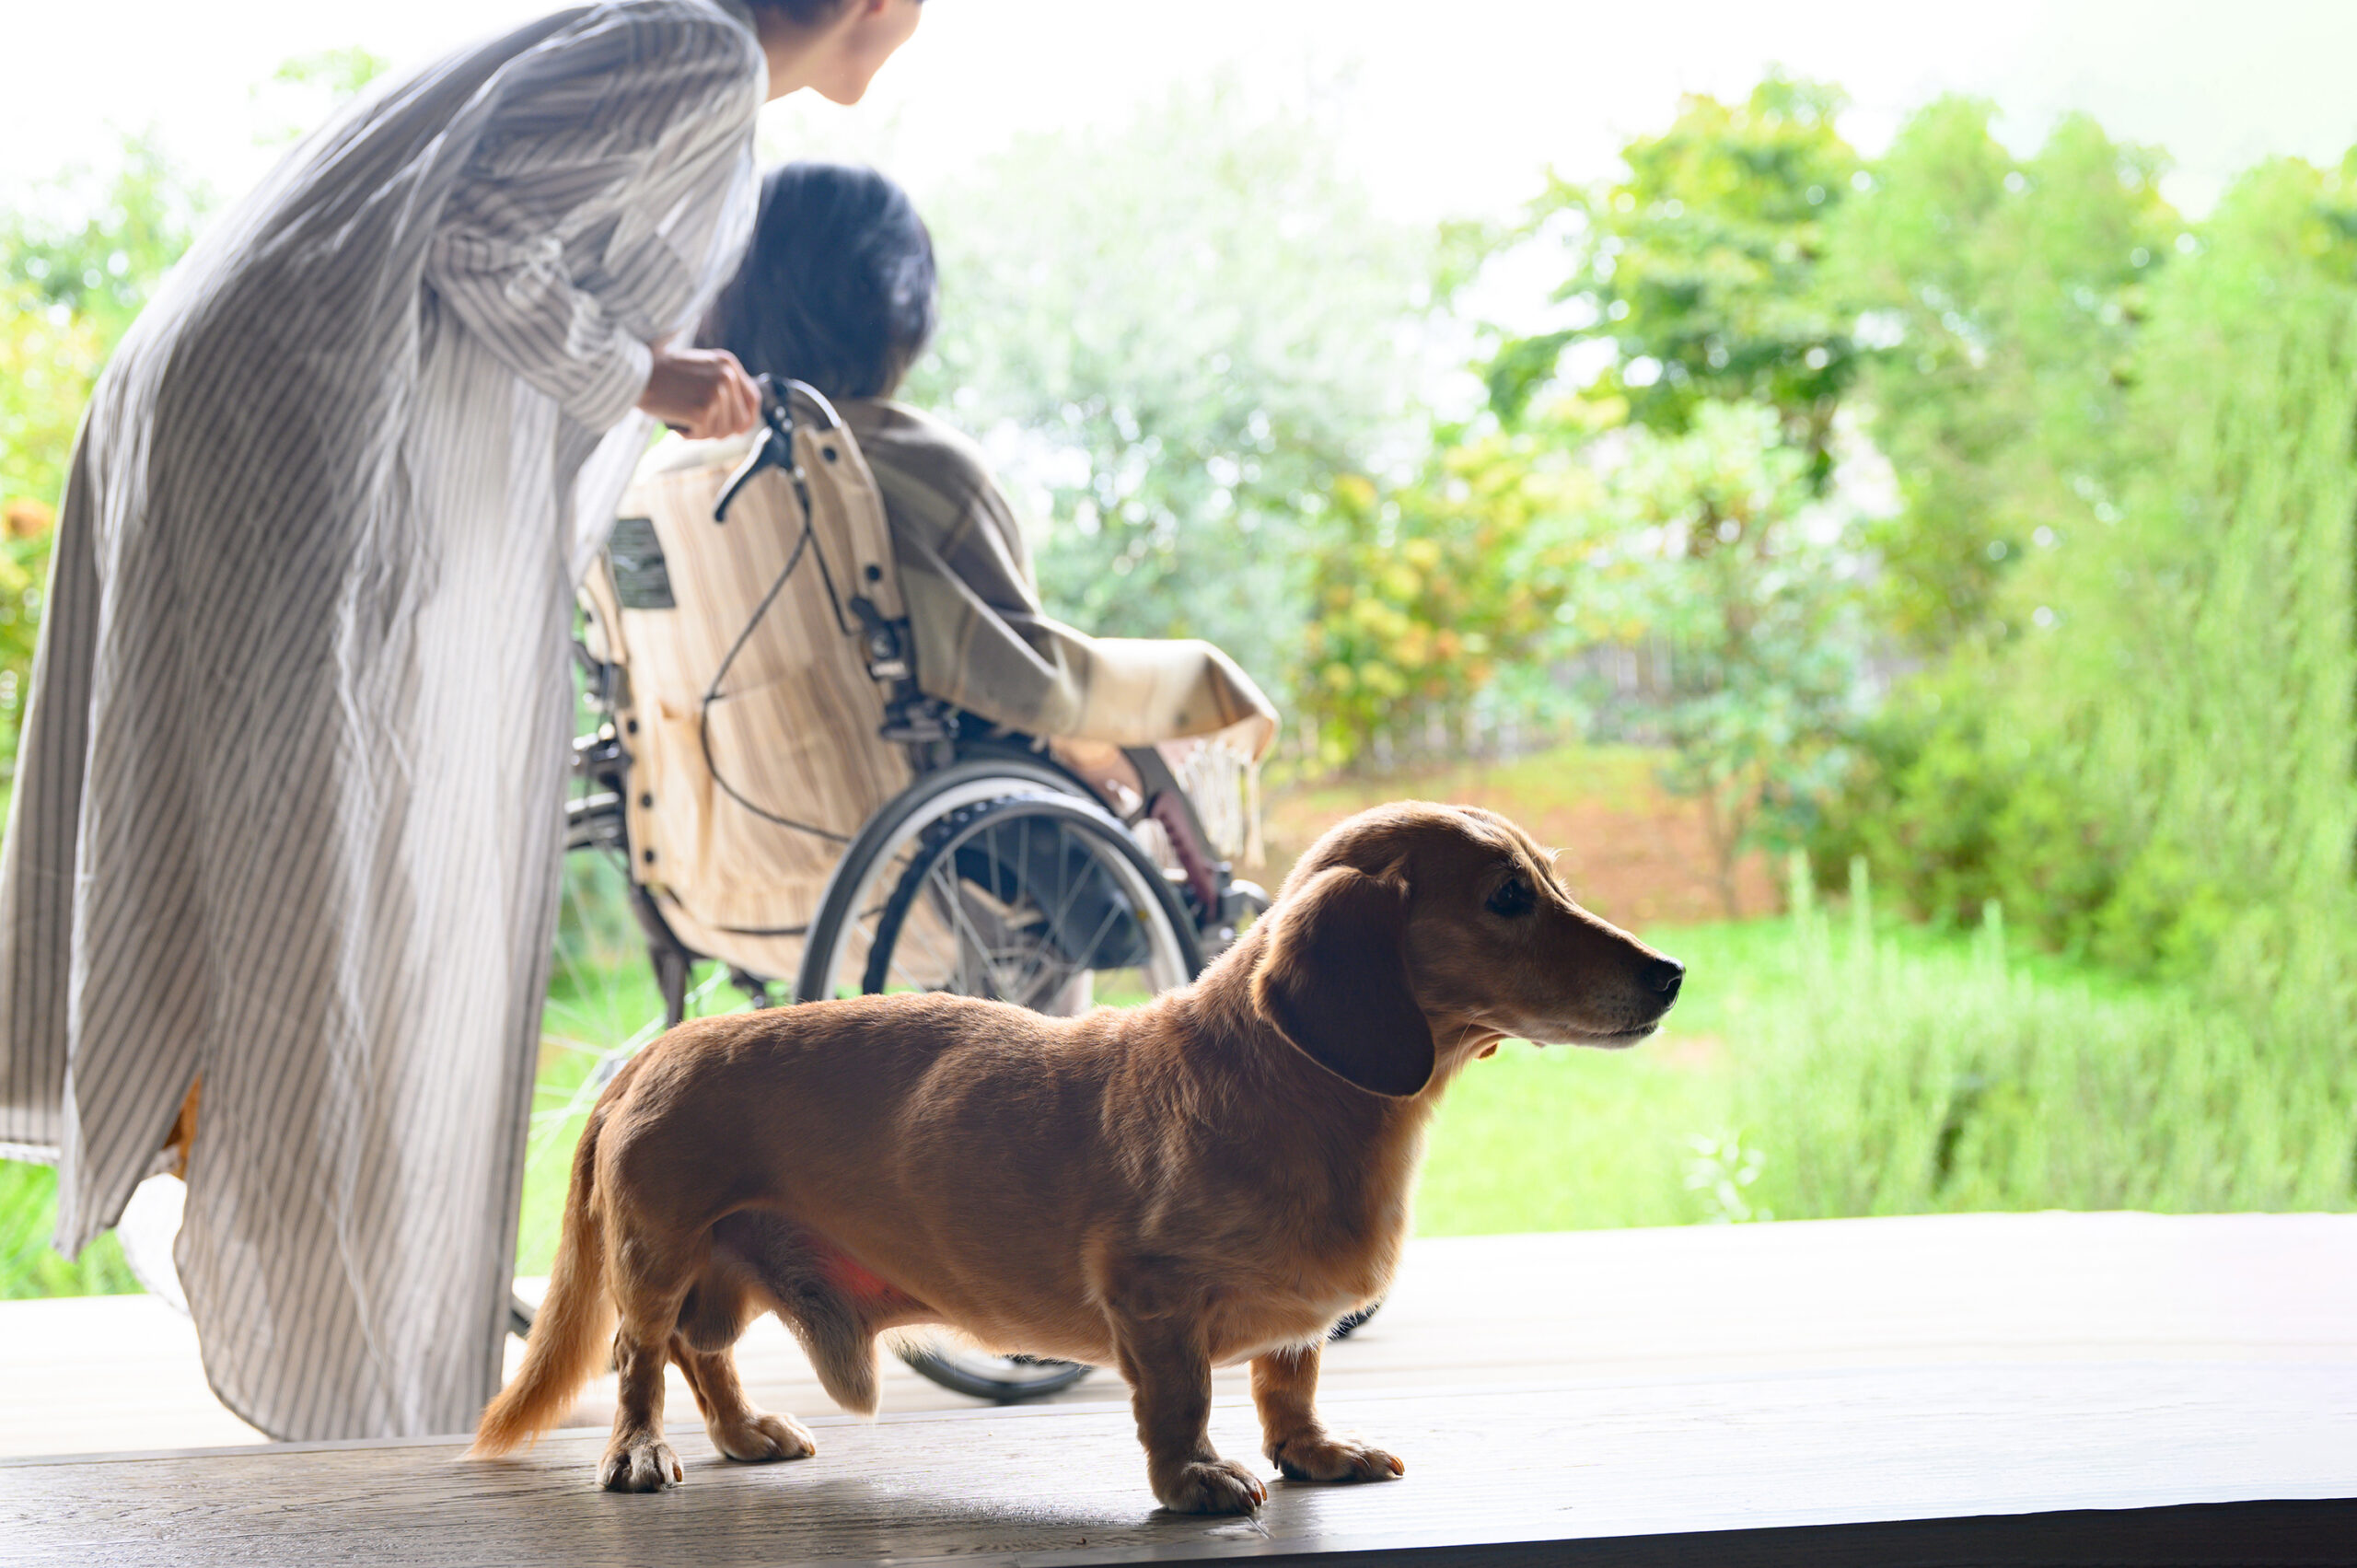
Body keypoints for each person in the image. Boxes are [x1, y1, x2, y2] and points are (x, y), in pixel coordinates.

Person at [0, 0, 923, 1442]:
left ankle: (317, 1276)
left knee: (311, 867)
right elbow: (478, 242)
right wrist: (653, 377)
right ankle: (335, 1323)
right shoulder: (696, 56)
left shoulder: (662, 40)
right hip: (310, 432)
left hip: (240, 402)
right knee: (355, 888)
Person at [596, 162, 1275, 989]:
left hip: (729, 877)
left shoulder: (656, 483)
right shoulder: (917, 465)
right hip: (932, 876)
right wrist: (1193, 686)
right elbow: (1024, 679)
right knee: (1141, 743)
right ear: (897, 309)